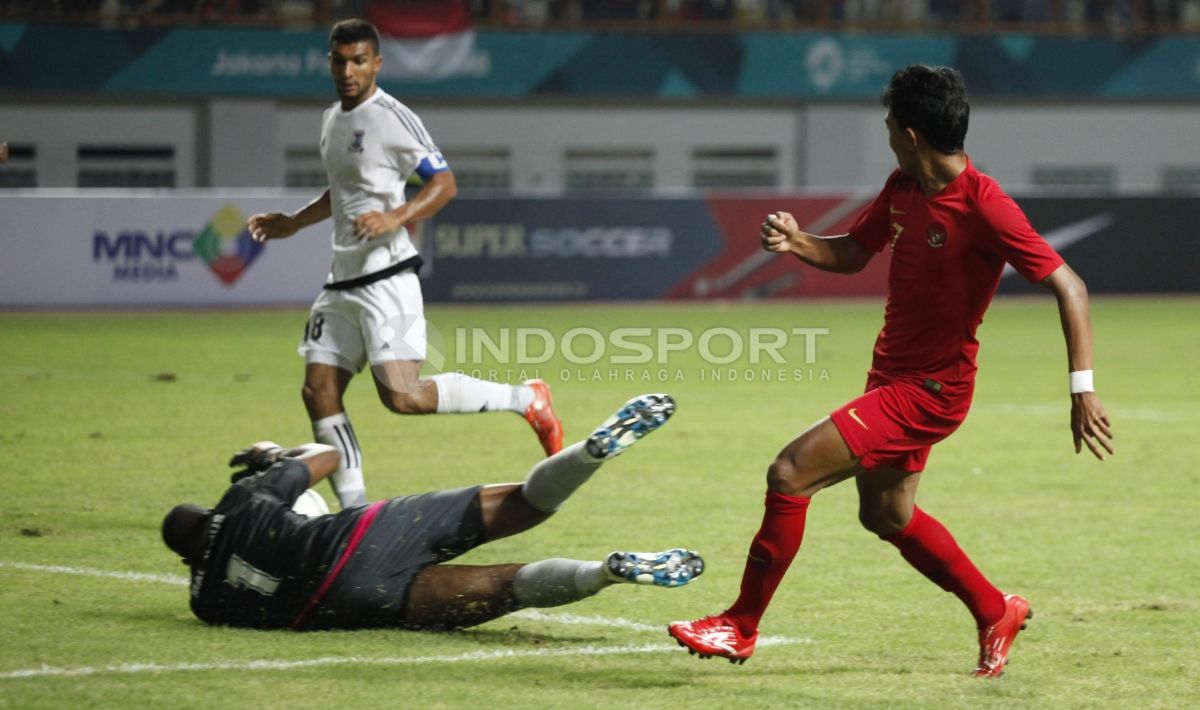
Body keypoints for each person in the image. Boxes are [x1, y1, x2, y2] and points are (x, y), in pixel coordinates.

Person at [667, 65, 1114, 677]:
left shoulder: (986, 205)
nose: (884, 134)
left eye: (885, 124)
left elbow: (1071, 285)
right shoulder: (904, 186)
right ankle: (994, 610)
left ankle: (738, 626)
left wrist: (1081, 390)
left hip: (931, 391)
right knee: (886, 515)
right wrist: (799, 242)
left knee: (790, 471)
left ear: (909, 133)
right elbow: (853, 253)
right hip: (891, 379)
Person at [247, 18, 562, 511]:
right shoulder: (333, 118)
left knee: (403, 397)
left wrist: (398, 215)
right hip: (342, 280)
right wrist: (293, 222)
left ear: (377, 63)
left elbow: (444, 184)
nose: (348, 70)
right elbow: (346, 189)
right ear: (329, 61)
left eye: (358, 60)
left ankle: (525, 398)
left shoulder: (391, 117)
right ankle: (354, 512)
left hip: (387, 278)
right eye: (339, 60)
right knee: (318, 389)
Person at [161, 394, 702, 631]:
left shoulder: (205, 604)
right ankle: (588, 452)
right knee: (523, 505)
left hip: (350, 603)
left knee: (506, 588)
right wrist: (272, 458)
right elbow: (326, 456)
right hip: (359, 539)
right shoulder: (241, 504)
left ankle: (605, 573)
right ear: (209, 513)